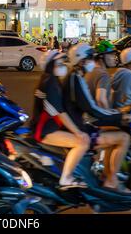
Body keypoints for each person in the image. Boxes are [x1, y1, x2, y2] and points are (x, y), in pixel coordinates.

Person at [63, 43, 131, 193]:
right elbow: (95, 105)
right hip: (84, 126)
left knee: (115, 135)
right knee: (124, 138)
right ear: (81, 61)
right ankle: (112, 182)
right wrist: (119, 116)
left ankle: (107, 176)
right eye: (89, 58)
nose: (91, 61)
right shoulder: (78, 78)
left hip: (83, 122)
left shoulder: (77, 76)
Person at [32, 50, 89, 190]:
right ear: (51, 65)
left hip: (48, 127)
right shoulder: (50, 81)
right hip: (45, 130)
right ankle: (66, 178)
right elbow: (59, 113)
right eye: (59, 63)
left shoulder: (50, 79)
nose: (63, 65)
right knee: (82, 142)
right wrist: (78, 132)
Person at [85, 40, 117, 109]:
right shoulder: (103, 75)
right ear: (101, 56)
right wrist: (109, 116)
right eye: (111, 55)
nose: (114, 58)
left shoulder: (91, 71)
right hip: (99, 118)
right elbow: (101, 100)